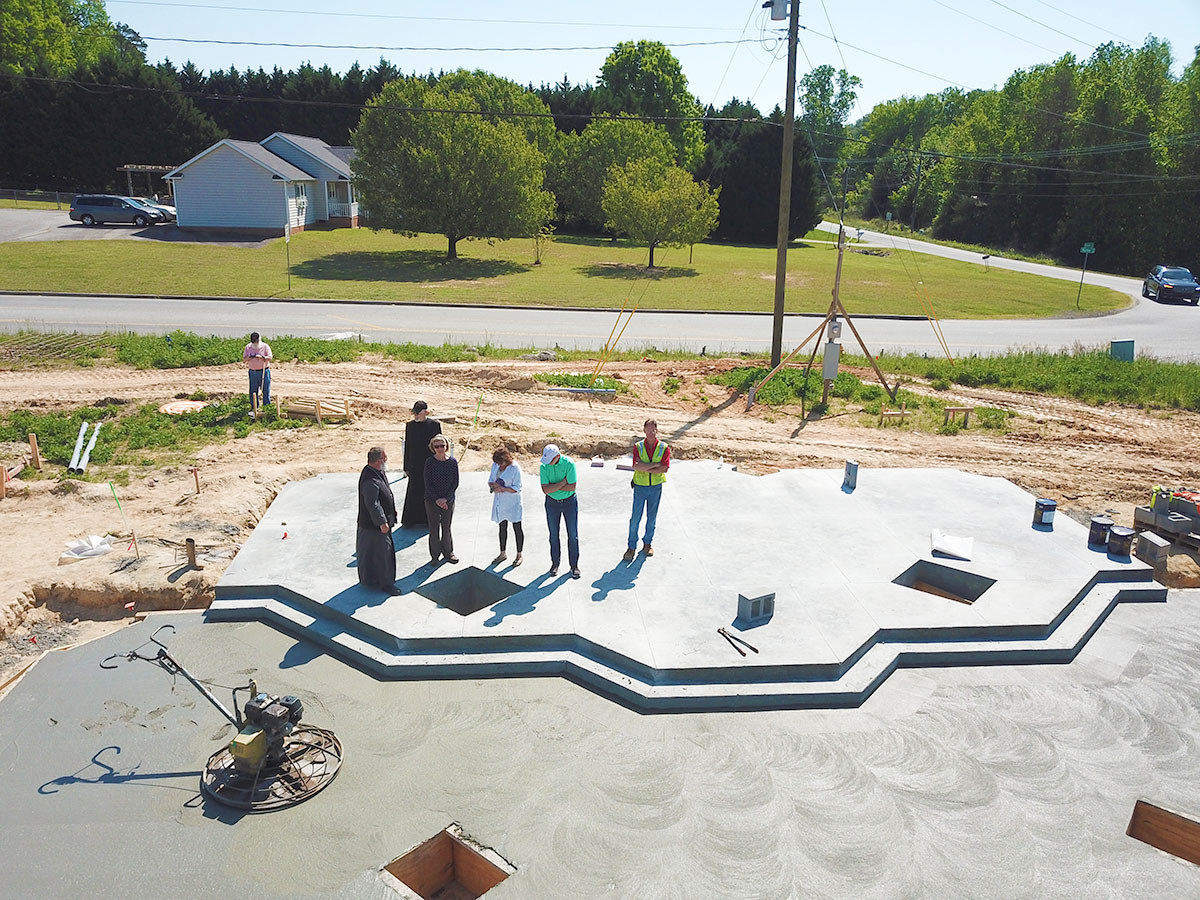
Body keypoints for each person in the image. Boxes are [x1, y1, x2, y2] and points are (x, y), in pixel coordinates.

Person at [625, 418, 671, 562]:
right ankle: (631, 547)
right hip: (640, 487)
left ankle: (647, 544)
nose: (651, 432)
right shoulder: (638, 446)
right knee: (635, 518)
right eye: (648, 429)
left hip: (656, 488)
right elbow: (636, 466)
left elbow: (664, 469)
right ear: (644, 430)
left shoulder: (664, 447)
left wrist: (646, 466)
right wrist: (654, 465)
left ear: (657, 430)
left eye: (653, 429)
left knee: (651, 518)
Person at [357, 446, 399, 595]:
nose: (386, 460)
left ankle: (370, 579)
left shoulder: (377, 472)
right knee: (383, 554)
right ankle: (386, 584)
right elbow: (372, 503)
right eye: (384, 458)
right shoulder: (370, 479)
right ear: (378, 461)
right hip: (374, 526)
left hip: (373, 524)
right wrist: (382, 522)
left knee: (372, 553)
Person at [540, 443, 580, 579]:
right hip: (551, 504)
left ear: (557, 456)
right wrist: (563, 483)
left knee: (573, 535)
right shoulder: (544, 466)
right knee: (553, 535)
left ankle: (574, 566)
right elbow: (545, 489)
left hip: (569, 503)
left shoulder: (569, 463)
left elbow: (572, 487)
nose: (548, 463)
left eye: (550, 460)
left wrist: (554, 487)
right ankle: (555, 564)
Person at [402, 401, 442, 527]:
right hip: (415, 465)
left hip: (430, 464)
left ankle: (429, 520)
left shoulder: (434, 425)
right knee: (413, 492)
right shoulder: (410, 426)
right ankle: (410, 520)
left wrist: (440, 462)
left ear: (426, 412)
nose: (416, 416)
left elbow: (439, 445)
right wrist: (406, 467)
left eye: (418, 413)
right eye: (415, 413)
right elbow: (408, 447)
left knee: (429, 492)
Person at [424, 435, 459, 564]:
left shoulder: (452, 462)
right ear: (433, 448)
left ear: (446, 446)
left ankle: (448, 552)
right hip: (432, 500)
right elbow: (428, 483)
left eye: (442, 446)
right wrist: (437, 499)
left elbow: (455, 483)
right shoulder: (429, 462)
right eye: (437, 446)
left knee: (446, 526)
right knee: (433, 528)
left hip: (448, 500)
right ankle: (434, 556)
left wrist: (445, 499)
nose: (440, 448)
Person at [488, 447, 524, 567]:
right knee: (502, 527)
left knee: (517, 528)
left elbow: (517, 487)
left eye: (501, 463)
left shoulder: (515, 468)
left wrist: (503, 489)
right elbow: (491, 480)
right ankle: (502, 553)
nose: (500, 466)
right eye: (498, 464)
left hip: (513, 502)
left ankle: (519, 555)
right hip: (500, 502)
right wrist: (493, 486)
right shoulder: (495, 465)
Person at [242, 331, 272, 417]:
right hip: (253, 372)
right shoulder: (248, 347)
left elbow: (270, 357)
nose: (255, 344)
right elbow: (244, 359)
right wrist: (250, 357)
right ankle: (254, 406)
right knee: (253, 390)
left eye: (256, 342)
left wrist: (262, 357)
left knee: (265, 389)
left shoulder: (265, 346)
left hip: (264, 371)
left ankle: (267, 407)